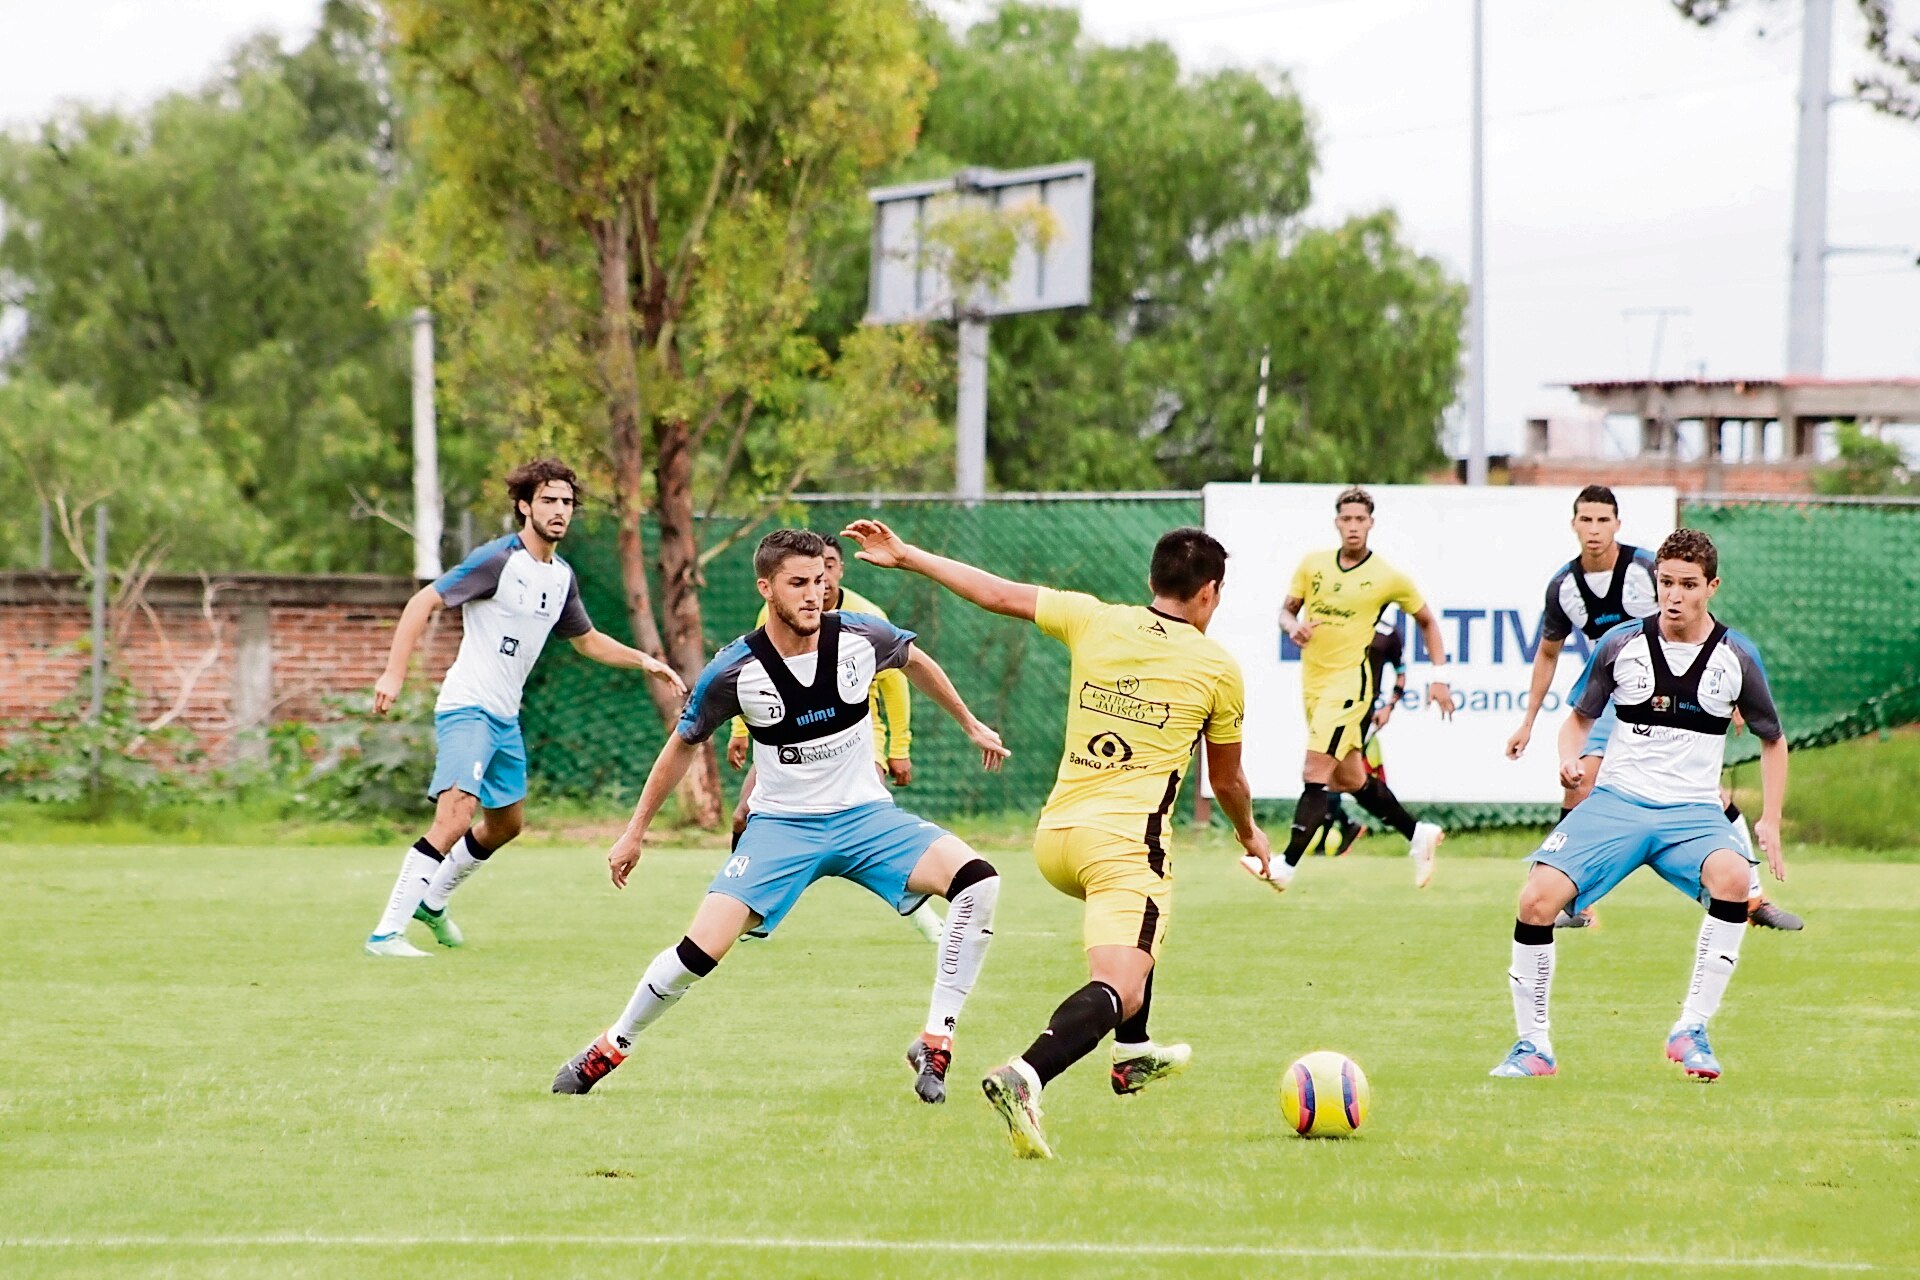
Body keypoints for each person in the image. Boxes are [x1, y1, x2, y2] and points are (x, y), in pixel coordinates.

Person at [842, 518, 1269, 1161]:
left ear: (1151, 580)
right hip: (1125, 847)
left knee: (1136, 942)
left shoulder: (1095, 619)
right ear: (1210, 593)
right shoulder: (1217, 668)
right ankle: (1026, 1076)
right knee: (1119, 980)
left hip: (1058, 839)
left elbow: (994, 592)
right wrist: (1250, 834)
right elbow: (1228, 778)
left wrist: (906, 556)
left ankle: (1133, 1054)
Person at [552, 530, 1010, 1105]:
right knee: (699, 953)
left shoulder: (862, 636)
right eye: (799, 584)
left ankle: (935, 1040)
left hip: (866, 819)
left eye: (821, 581)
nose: (814, 595)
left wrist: (969, 722)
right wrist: (635, 831)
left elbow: (915, 660)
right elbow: (683, 743)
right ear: (766, 588)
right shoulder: (733, 670)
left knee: (979, 881)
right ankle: (613, 1043)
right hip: (782, 828)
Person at [1491, 529, 1789, 1082]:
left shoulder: (1736, 656)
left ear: (1712, 587)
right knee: (1535, 901)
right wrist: (1568, 757)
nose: (1674, 595)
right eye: (1666, 582)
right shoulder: (1621, 645)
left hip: (1693, 815)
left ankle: (1691, 1030)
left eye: (1687, 585)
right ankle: (1532, 1048)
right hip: (1617, 804)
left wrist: (1769, 817)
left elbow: (1774, 739)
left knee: (1731, 878)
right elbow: (1578, 718)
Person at [363, 459, 686, 957]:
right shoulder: (497, 560)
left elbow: (587, 640)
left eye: (567, 503)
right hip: (467, 706)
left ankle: (433, 902)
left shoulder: (560, 577)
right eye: (549, 501)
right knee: (454, 816)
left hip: (503, 718)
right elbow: (421, 603)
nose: (560, 511)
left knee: (506, 825)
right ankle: (386, 933)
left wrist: (646, 660)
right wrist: (393, 673)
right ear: (524, 505)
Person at [1505, 485, 1800, 932]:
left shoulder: (1647, 568)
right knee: (1577, 780)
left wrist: (1728, 693)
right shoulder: (1564, 586)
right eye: (1586, 519)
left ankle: (1752, 897)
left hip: (1675, 695)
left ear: (1617, 524)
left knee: (1705, 796)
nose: (1595, 529)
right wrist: (1528, 721)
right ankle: (1574, 902)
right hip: (1622, 694)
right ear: (1574, 525)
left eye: (1604, 520)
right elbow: (1548, 653)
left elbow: (1701, 621)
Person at [726, 533, 943, 943]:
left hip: (861, 736)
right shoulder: (773, 611)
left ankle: (928, 921)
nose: (816, 582)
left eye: (825, 569)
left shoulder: (866, 617)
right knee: (741, 816)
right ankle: (744, 901)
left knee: (874, 834)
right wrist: (740, 732)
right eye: (803, 576)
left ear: (837, 571)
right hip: (789, 738)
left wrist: (899, 748)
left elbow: (897, 685)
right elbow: (750, 677)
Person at [1243, 486, 1455, 895]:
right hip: (1314, 683)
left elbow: (1427, 621)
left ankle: (1285, 865)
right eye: (1347, 519)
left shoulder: (1387, 576)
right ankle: (1418, 834)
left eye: (1361, 520)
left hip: (1350, 686)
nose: (1353, 526)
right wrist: (1294, 626)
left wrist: (1439, 676)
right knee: (1352, 779)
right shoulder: (1313, 565)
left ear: (1371, 524)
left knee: (1314, 773)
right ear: (1336, 522)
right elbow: (1286, 611)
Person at [1312, 606, 1409, 856]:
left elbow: (1401, 672)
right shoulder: (1344, 625)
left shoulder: (1388, 634)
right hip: (1333, 705)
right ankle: (1344, 825)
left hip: (1363, 711)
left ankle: (1326, 839)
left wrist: (1389, 706)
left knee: (1335, 770)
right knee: (1333, 771)